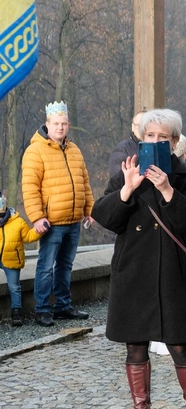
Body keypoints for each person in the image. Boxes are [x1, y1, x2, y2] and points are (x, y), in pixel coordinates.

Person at [91, 108, 186, 409]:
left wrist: (169, 191)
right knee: (135, 346)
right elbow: (103, 216)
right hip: (133, 270)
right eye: (149, 136)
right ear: (141, 140)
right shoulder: (129, 172)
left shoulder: (185, 178)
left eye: (163, 137)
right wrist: (127, 190)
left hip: (170, 272)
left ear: (173, 142)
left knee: (179, 345)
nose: (155, 142)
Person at [22, 101, 95, 327]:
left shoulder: (75, 150)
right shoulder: (35, 150)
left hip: (73, 220)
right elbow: (30, 187)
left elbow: (84, 182)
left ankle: (63, 306)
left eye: (64, 124)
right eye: (56, 124)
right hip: (51, 222)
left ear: (68, 125)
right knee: (46, 267)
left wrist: (89, 210)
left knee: (65, 266)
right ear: (47, 124)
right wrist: (37, 217)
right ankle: (42, 309)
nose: (60, 128)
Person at [0, 192, 44, 326]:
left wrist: (39, 230)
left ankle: (16, 313)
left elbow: (28, 236)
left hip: (12, 258)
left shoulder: (17, 221)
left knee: (14, 287)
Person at [108, 110, 145, 179]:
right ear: (133, 127)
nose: (143, 129)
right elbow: (116, 184)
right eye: (139, 125)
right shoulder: (122, 150)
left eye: (146, 125)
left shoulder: (159, 148)